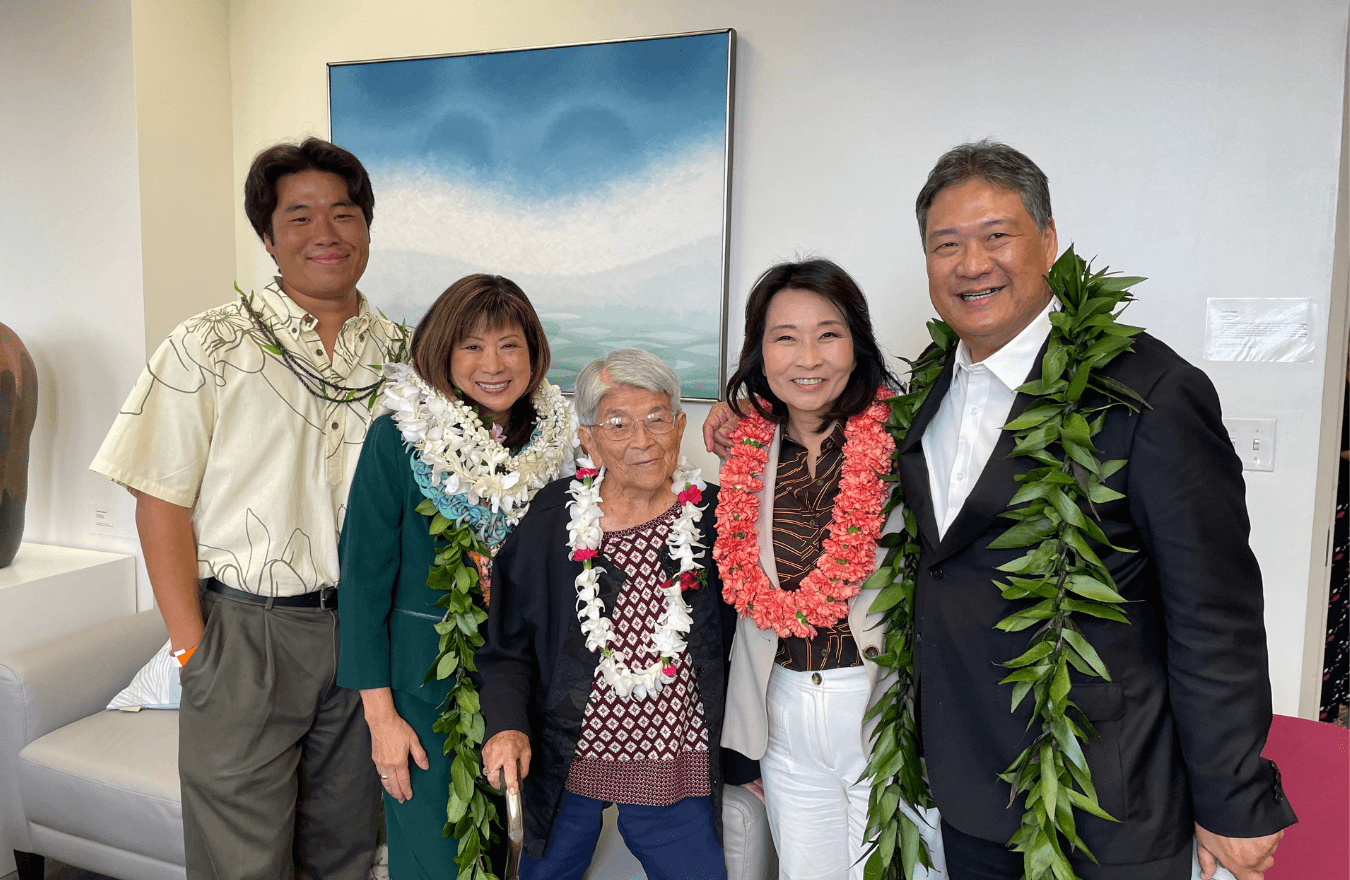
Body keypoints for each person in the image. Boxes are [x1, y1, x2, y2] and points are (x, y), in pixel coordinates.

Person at [895, 140, 1297, 879]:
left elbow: (1216, 615)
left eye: (996, 236)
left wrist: (1234, 798)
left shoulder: (1148, 392)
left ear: (1048, 241)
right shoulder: (931, 385)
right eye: (945, 245)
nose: (971, 263)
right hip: (967, 792)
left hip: (1105, 802)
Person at [90, 138, 399, 879]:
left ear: (366, 229)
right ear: (268, 237)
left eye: (344, 213)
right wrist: (195, 651)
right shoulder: (207, 344)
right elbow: (159, 501)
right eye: (299, 217)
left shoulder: (406, 355)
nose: (326, 232)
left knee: (347, 850)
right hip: (246, 632)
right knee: (241, 861)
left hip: (366, 635)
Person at [479, 348, 753, 880]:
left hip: (677, 764)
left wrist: (749, 762)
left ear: (680, 426)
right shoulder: (556, 517)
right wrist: (508, 725)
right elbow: (506, 644)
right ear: (588, 439)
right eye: (619, 424)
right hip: (565, 760)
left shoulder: (718, 516)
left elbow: (750, 640)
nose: (643, 441)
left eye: (656, 420)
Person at [337, 274, 576, 878]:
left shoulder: (560, 439)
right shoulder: (399, 438)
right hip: (426, 697)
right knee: (439, 862)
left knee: (518, 859)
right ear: (442, 352)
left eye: (509, 345)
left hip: (528, 698)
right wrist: (381, 720)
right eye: (471, 346)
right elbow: (362, 587)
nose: (492, 364)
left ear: (534, 353)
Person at [713, 259, 941, 880]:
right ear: (760, 352)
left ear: (858, 342)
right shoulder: (749, 450)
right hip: (783, 707)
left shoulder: (911, 435)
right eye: (785, 336)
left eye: (829, 334)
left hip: (884, 707)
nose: (807, 357)